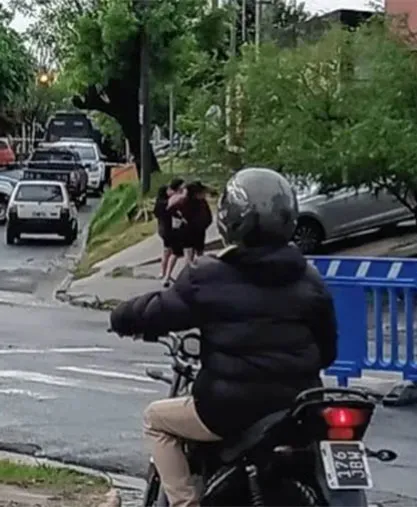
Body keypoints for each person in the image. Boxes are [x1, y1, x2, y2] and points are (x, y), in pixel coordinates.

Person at [108, 167, 338, 507]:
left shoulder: (209, 276)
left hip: (228, 410)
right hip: (297, 410)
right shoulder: (310, 279)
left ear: (230, 220)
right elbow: (327, 351)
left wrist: (122, 316)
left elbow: (159, 309)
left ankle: (186, 503)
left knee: (156, 419)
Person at [154, 178, 184, 284]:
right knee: (175, 252)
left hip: (162, 230)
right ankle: (167, 276)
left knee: (166, 251)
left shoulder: (158, 204)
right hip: (170, 230)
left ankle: (162, 272)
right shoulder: (167, 203)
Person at [179, 181, 213, 264]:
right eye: (202, 193)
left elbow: (208, 215)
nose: (204, 194)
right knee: (190, 253)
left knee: (198, 253)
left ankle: (197, 269)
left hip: (198, 231)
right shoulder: (187, 203)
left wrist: (206, 223)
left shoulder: (201, 202)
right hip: (190, 231)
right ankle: (190, 270)